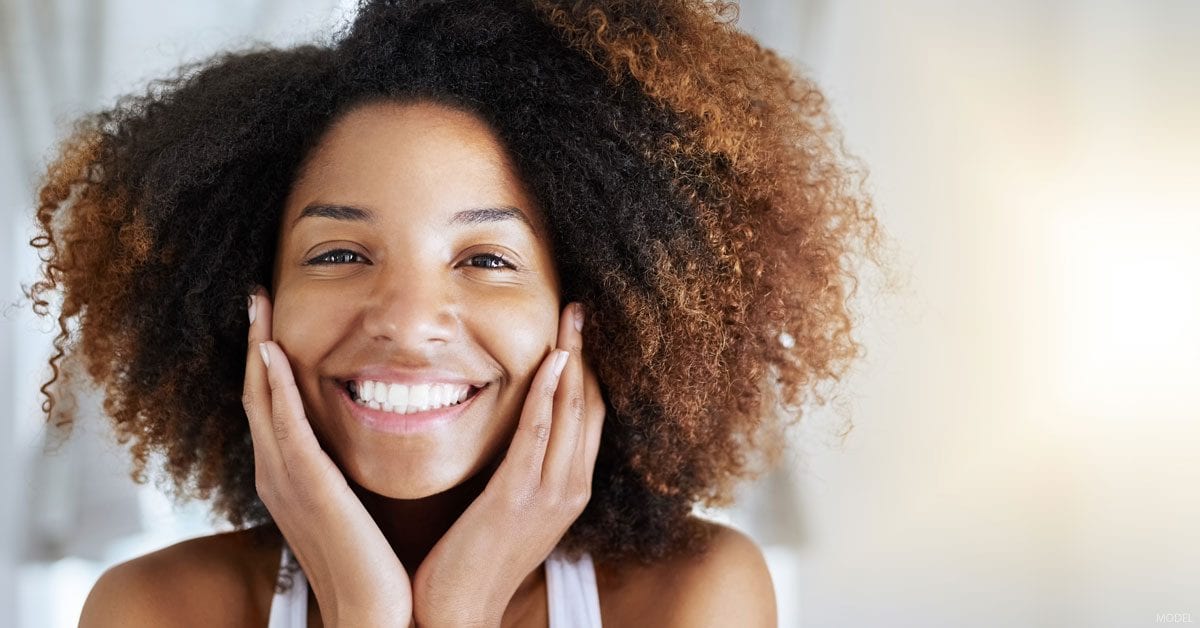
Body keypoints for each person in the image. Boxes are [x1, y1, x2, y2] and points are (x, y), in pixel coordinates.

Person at [28, 0, 880, 625]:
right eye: (339, 255)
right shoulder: (156, 611)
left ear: (593, 312)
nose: (406, 320)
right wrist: (365, 612)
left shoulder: (693, 596)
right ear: (248, 303)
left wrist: (462, 607)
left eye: (485, 260)